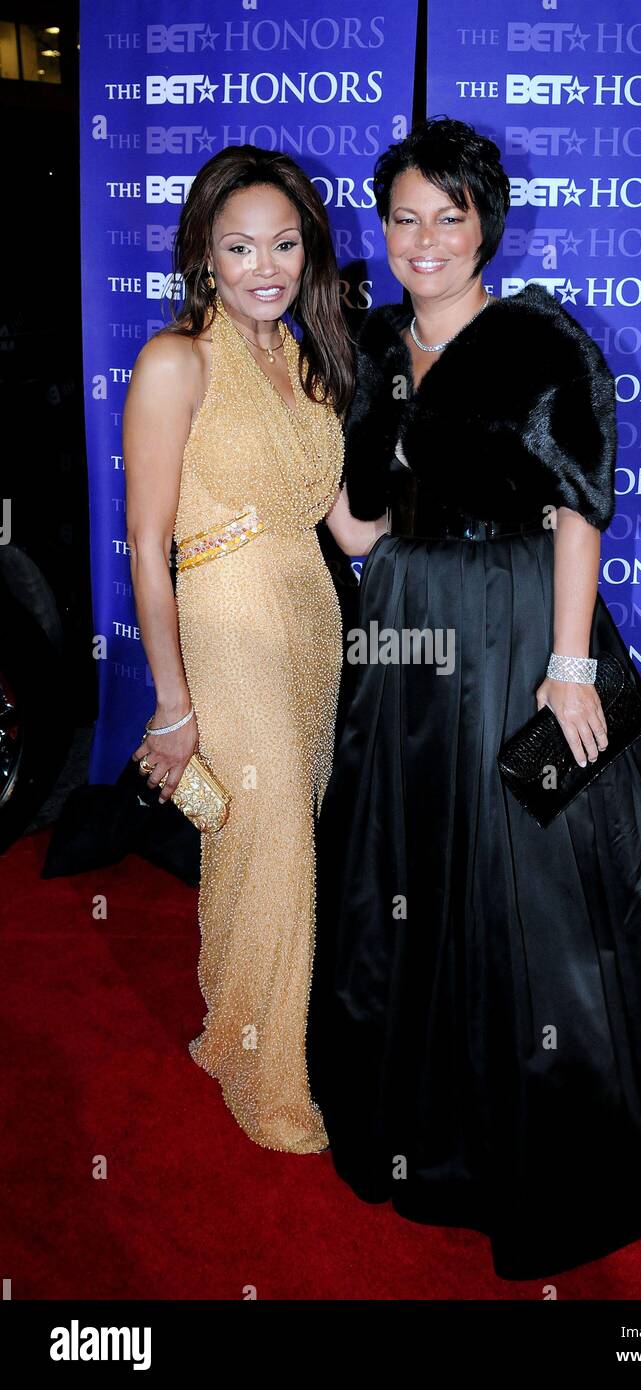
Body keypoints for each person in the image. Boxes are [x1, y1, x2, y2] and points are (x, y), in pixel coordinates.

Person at [306, 118, 641, 1276]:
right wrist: (292, 475)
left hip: (517, 625)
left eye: (448, 217)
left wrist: (568, 667)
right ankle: (431, 1115)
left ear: (484, 227)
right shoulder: (367, 346)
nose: (424, 240)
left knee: (539, 868)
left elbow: (576, 511)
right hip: (409, 631)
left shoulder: (533, 342)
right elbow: (360, 527)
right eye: (404, 216)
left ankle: (562, 1117)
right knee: (410, 864)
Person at [123, 146, 383, 1154]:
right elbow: (149, 542)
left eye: (283, 242)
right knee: (273, 849)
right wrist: (172, 703)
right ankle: (269, 1084)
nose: (264, 264)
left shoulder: (309, 356)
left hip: (313, 619)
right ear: (206, 254)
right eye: (240, 246)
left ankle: (232, 1032)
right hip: (226, 625)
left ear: (308, 246)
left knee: (272, 844)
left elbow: (353, 531)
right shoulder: (174, 359)